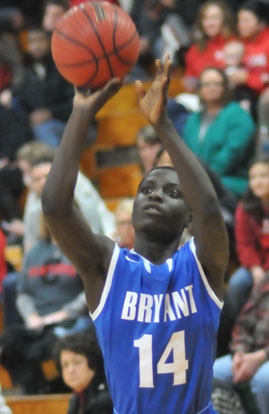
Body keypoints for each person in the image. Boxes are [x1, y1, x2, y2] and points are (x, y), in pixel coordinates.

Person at [41, 56, 229, 413]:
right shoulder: (106, 267)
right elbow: (54, 207)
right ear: (132, 206)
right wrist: (81, 113)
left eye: (173, 193)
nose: (156, 194)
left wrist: (163, 126)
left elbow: (208, 207)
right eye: (147, 189)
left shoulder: (202, 266)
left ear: (187, 218)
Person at [0, 214, 90, 394]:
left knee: (43, 348)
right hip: (38, 322)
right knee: (8, 343)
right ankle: (35, 394)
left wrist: (66, 312)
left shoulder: (83, 249)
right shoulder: (34, 253)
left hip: (71, 320)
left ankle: (47, 391)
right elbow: (23, 292)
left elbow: (92, 290)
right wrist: (31, 316)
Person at [182, 66, 255, 196]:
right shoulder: (194, 119)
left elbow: (231, 154)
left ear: (225, 87)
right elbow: (186, 152)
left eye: (217, 83)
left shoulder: (238, 115)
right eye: (207, 84)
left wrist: (204, 177)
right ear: (200, 89)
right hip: (199, 179)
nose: (212, 87)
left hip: (231, 179)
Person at [213, 272, 269, 414]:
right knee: (212, 372)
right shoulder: (266, 279)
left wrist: (260, 357)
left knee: (263, 380)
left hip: (264, 357)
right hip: (249, 353)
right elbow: (243, 323)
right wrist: (240, 353)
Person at [225, 156, 269, 320]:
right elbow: (244, 244)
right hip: (255, 266)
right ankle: (238, 329)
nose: (258, 182)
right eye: (253, 177)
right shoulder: (244, 208)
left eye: (264, 176)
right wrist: (255, 268)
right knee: (237, 283)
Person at [54, 330, 113, 414]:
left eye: (77, 362)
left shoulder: (105, 400)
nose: (71, 370)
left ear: (93, 362)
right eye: (65, 365)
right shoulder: (75, 399)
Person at [184, 0, 236, 92]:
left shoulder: (235, 44)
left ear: (225, 20)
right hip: (201, 98)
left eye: (215, 18)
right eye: (206, 18)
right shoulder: (195, 49)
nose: (210, 23)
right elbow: (189, 82)